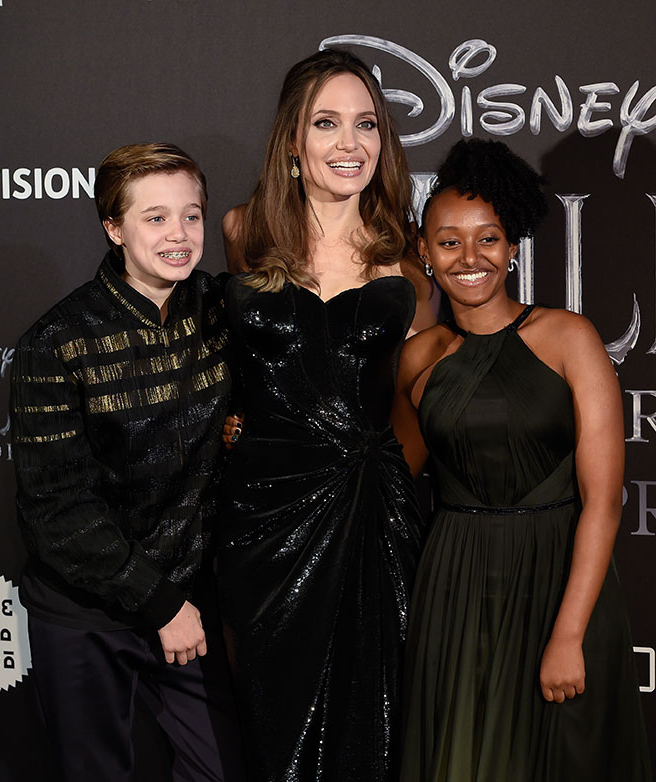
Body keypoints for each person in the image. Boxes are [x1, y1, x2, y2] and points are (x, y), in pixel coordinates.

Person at [392, 138, 652, 781]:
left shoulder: (569, 337)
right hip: (455, 589)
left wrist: (567, 635)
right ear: (423, 252)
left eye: (488, 239)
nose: (469, 257)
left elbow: (603, 501)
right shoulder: (419, 359)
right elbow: (389, 474)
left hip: (560, 580)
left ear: (513, 248)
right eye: (448, 241)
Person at [216, 49, 429, 781]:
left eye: (366, 124)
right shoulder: (244, 233)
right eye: (328, 123)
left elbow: (413, 397)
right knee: (270, 730)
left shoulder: (402, 261)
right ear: (293, 143)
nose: (350, 144)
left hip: (371, 518)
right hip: (264, 521)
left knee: (375, 730)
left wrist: (387, 479)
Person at [10, 143, 245, 782]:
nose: (179, 235)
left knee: (219, 767)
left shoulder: (226, 310)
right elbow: (60, 512)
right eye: (155, 218)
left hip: (187, 598)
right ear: (114, 228)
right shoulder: (55, 343)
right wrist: (161, 604)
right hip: (85, 610)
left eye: (191, 216)